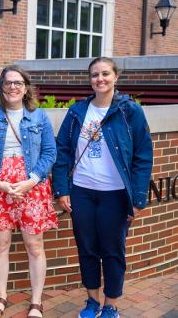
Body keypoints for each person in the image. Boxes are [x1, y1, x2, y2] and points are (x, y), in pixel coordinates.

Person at [52, 57, 153, 318]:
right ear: (90, 80)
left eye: (105, 73)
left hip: (116, 194)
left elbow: (143, 155)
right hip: (82, 192)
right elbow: (62, 150)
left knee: (112, 250)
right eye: (95, 75)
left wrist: (137, 198)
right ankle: (92, 301)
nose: (100, 79)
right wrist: (63, 189)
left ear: (116, 77)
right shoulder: (77, 111)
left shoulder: (130, 111)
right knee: (86, 248)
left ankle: (110, 305)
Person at [0, 65, 57, 318]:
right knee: (1, 243)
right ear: (1, 87)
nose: (13, 87)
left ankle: (36, 301)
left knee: (34, 244)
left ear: (26, 87)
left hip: (31, 186)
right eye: (8, 83)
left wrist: (31, 181)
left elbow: (50, 153)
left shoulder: (39, 117)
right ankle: (1, 297)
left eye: (18, 83)